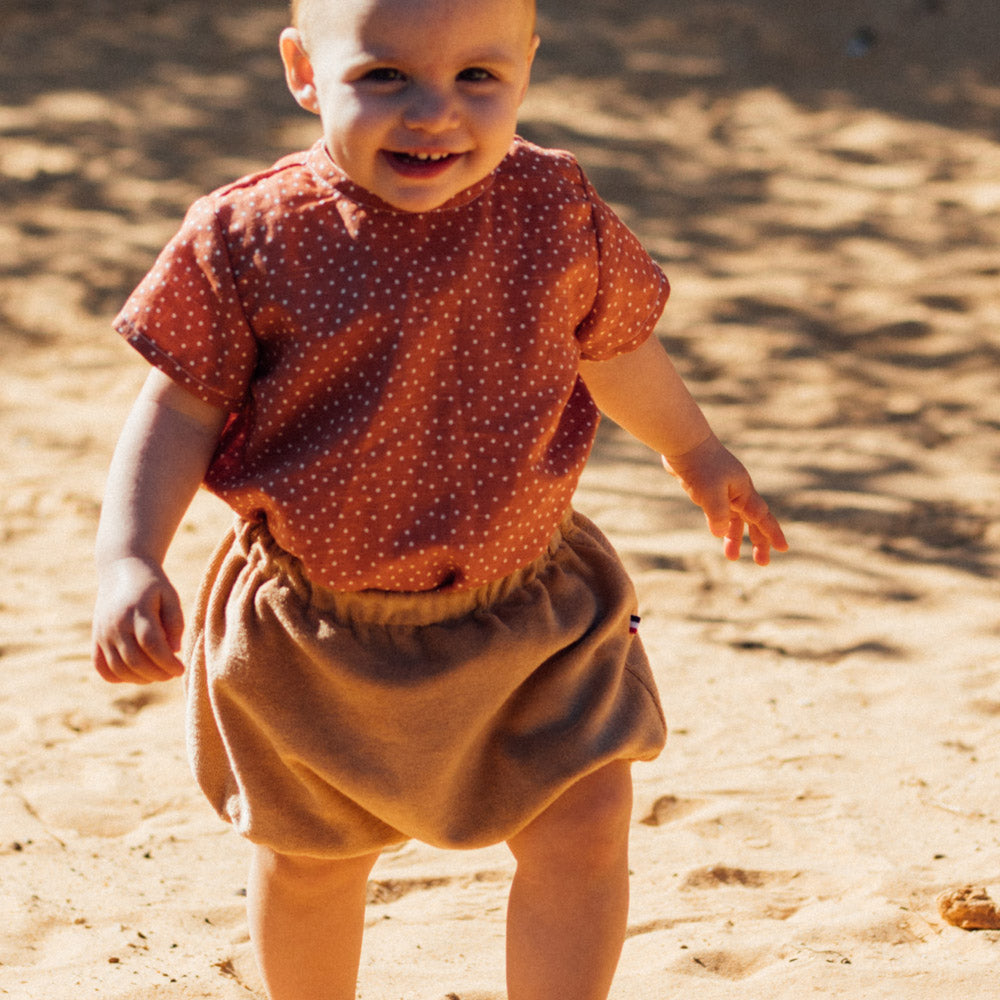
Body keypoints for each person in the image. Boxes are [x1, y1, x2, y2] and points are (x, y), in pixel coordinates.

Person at [91, 0, 788, 997]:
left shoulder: (553, 209)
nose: (434, 114)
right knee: (312, 862)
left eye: (477, 78)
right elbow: (177, 410)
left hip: (534, 609)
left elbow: (616, 347)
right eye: (384, 77)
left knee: (587, 825)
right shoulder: (248, 237)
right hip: (318, 635)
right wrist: (128, 557)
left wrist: (699, 451)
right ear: (303, 69)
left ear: (526, 71)